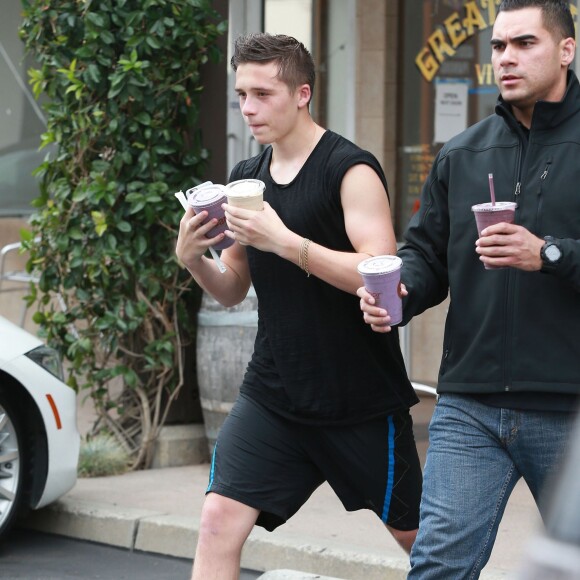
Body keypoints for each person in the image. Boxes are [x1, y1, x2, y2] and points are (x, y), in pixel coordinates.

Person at [175, 33, 423, 579]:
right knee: (217, 520)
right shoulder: (245, 180)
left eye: (263, 94)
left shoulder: (350, 170)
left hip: (357, 397)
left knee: (421, 540)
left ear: (302, 92)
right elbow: (234, 286)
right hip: (274, 393)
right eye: (242, 94)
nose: (248, 108)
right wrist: (194, 260)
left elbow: (380, 270)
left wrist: (283, 240)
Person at [358, 1, 580, 578]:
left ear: (566, 50)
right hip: (470, 405)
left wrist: (550, 254)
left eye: (524, 44)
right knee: (437, 565)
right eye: (499, 47)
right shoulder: (462, 153)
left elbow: (551, 254)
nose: (506, 58)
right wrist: (399, 292)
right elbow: (427, 256)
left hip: (569, 404)